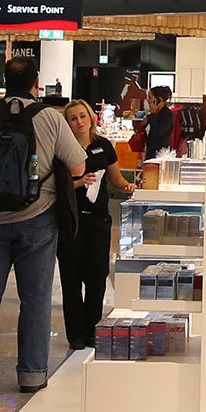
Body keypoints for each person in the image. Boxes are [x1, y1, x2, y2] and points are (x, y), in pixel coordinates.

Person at [0, 55, 84, 395]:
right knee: (35, 300)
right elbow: (78, 168)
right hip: (37, 221)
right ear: (37, 83)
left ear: (3, 81)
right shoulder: (50, 118)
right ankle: (32, 375)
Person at [59, 98, 130, 351]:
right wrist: (76, 183)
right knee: (71, 278)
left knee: (97, 277)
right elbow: (55, 185)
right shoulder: (63, 149)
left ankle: (92, 330)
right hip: (71, 222)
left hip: (98, 222)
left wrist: (128, 187)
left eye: (82, 116)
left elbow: (117, 178)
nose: (79, 121)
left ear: (91, 117)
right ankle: (75, 335)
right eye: (73, 118)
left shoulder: (104, 146)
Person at [132, 85, 176, 161]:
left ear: (158, 100)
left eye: (150, 97)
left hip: (159, 156)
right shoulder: (153, 115)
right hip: (150, 153)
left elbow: (157, 133)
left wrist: (152, 114)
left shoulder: (168, 115)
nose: (148, 100)